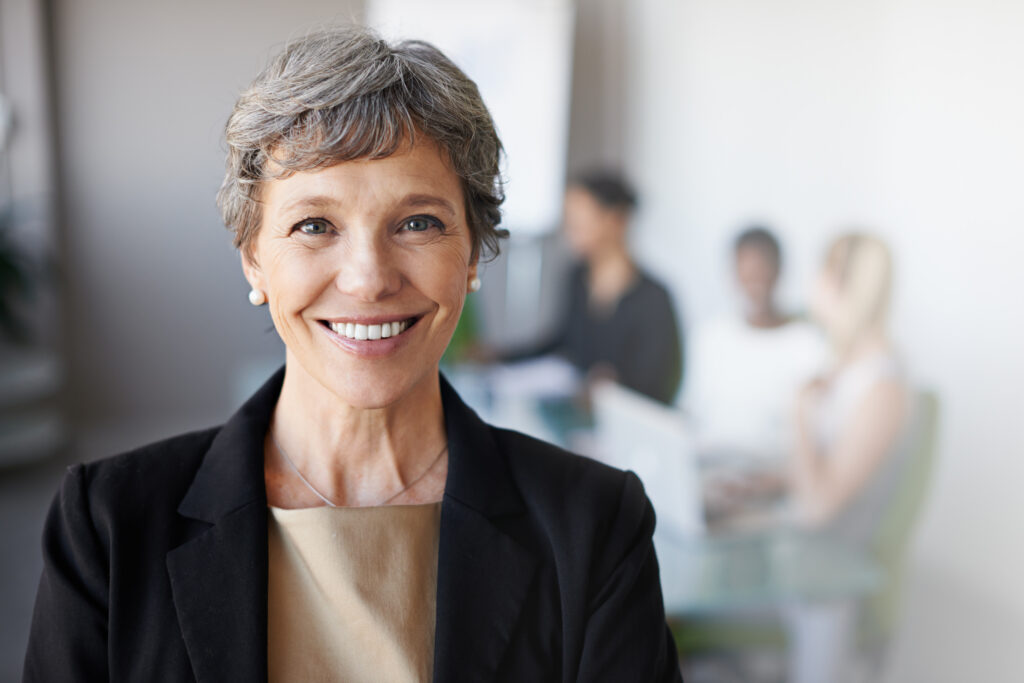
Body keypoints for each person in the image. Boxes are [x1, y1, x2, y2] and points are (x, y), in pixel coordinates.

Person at [23, 28, 681, 682]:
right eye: (316, 225)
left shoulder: (597, 525)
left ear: (473, 252)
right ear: (254, 257)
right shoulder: (107, 525)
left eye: (418, 222)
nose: (368, 278)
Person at [785, 232, 912, 683]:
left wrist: (799, 416)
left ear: (843, 285)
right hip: (801, 558)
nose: (813, 285)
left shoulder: (883, 386)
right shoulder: (843, 366)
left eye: (821, 273)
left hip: (830, 579)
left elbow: (819, 509)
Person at [504, 170, 683, 405]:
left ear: (615, 220)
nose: (570, 228)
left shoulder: (655, 297)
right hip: (575, 417)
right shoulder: (576, 278)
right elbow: (563, 339)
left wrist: (614, 386)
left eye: (579, 219)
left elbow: (658, 383)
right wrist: (501, 357)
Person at [685, 226, 826, 463]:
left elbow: (817, 434)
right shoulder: (710, 334)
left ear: (779, 271)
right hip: (707, 463)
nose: (754, 280)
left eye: (762, 269)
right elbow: (691, 412)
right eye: (745, 270)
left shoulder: (807, 343)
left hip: (770, 471)